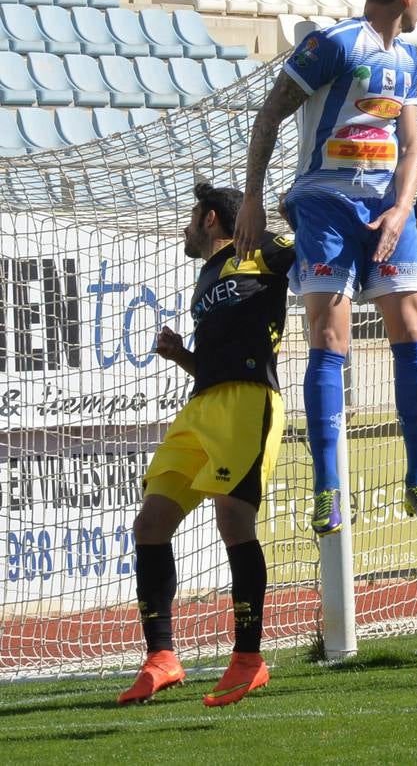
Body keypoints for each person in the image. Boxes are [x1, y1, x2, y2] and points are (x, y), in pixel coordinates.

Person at [233, 0, 417, 537]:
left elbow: (409, 147)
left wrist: (404, 207)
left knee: (410, 325)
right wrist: (253, 197)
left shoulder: (407, 56)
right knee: (329, 334)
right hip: (324, 201)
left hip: (385, 207)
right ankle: (328, 488)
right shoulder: (333, 44)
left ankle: (416, 477)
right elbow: (270, 114)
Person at [119, 184, 294, 707]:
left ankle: (247, 659)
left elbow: (312, 253)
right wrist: (182, 355)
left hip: (249, 401)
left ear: (212, 218)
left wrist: (290, 212)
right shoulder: (206, 277)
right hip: (201, 405)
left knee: (232, 521)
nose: (187, 226)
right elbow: (215, 357)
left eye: (193, 216)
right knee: (149, 523)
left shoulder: (265, 252)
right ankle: (162, 657)